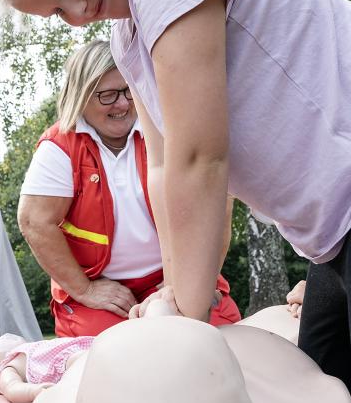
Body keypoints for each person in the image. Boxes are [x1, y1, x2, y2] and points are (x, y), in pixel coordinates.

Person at [0, 0, 351, 403]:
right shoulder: (127, 38)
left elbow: (200, 160)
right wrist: (173, 294)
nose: (77, 14)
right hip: (336, 231)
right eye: (57, 12)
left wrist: (183, 334)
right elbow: (164, 167)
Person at [17, 40, 239, 337]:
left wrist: (188, 279)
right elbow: (34, 221)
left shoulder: (166, 127)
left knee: (219, 343)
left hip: (176, 276)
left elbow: (217, 202)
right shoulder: (60, 146)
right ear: (80, 96)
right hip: (103, 291)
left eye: (128, 92)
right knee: (111, 360)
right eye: (108, 96)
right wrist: (86, 290)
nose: (122, 104)